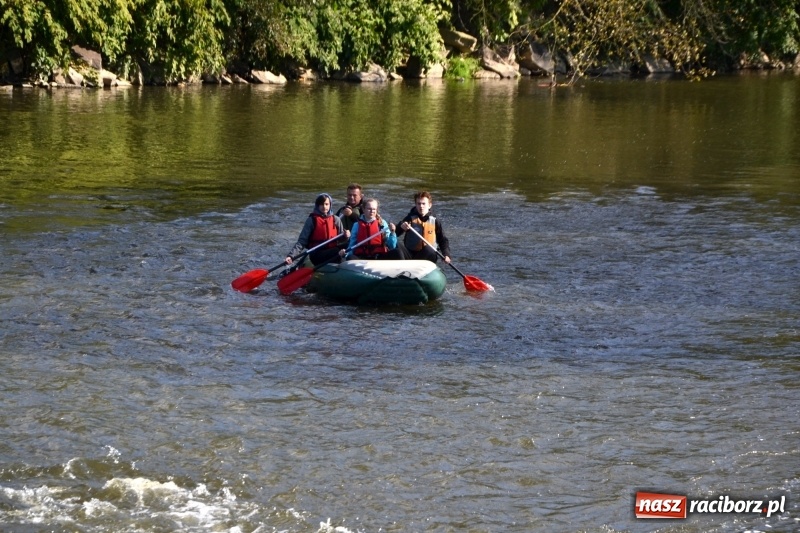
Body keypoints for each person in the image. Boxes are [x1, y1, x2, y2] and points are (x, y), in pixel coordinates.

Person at [286, 193, 350, 267]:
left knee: (348, 245)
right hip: (317, 254)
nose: (324, 207)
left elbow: (341, 239)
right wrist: (291, 255)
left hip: (332, 250)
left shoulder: (336, 219)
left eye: (326, 204)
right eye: (321, 204)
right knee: (336, 251)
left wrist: (346, 236)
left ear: (330, 205)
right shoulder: (312, 220)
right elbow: (302, 241)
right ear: (317, 205)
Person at [395, 191, 451, 263]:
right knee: (396, 244)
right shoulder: (410, 218)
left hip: (428, 256)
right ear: (416, 205)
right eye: (418, 204)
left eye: (423, 204)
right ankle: (404, 267)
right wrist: (400, 227)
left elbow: (443, 240)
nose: (421, 206)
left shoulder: (435, 221)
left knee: (429, 249)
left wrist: (446, 254)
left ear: (429, 205)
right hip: (411, 255)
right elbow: (396, 233)